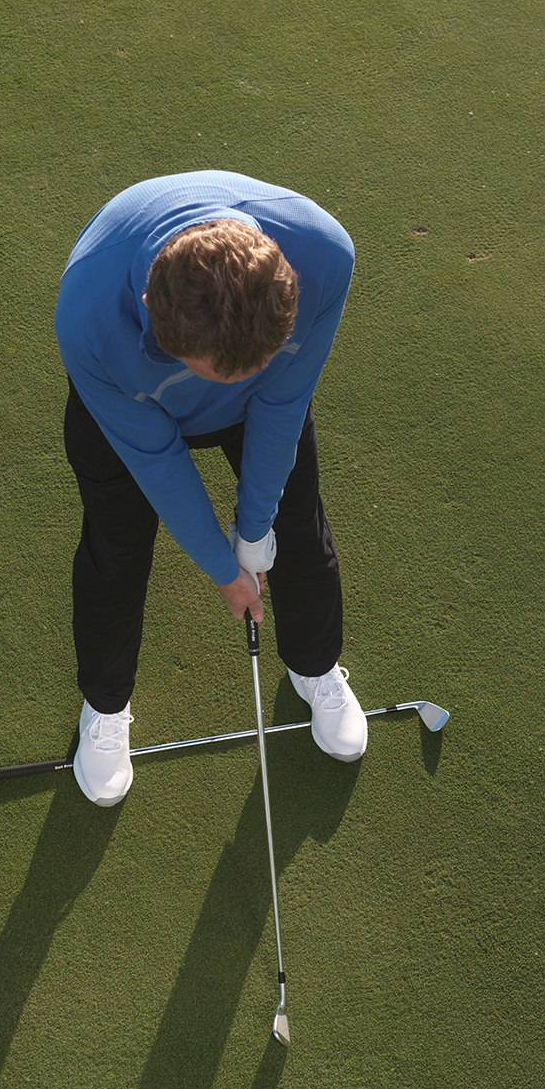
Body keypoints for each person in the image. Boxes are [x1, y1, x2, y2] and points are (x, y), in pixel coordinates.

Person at [54, 171, 366, 807]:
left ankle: (315, 669)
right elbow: (157, 461)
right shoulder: (89, 316)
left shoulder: (324, 255)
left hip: (264, 408)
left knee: (295, 523)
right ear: (153, 316)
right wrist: (228, 572)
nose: (227, 387)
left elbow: (280, 401)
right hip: (132, 411)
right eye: (216, 374)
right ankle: (106, 707)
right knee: (116, 554)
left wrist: (254, 531)